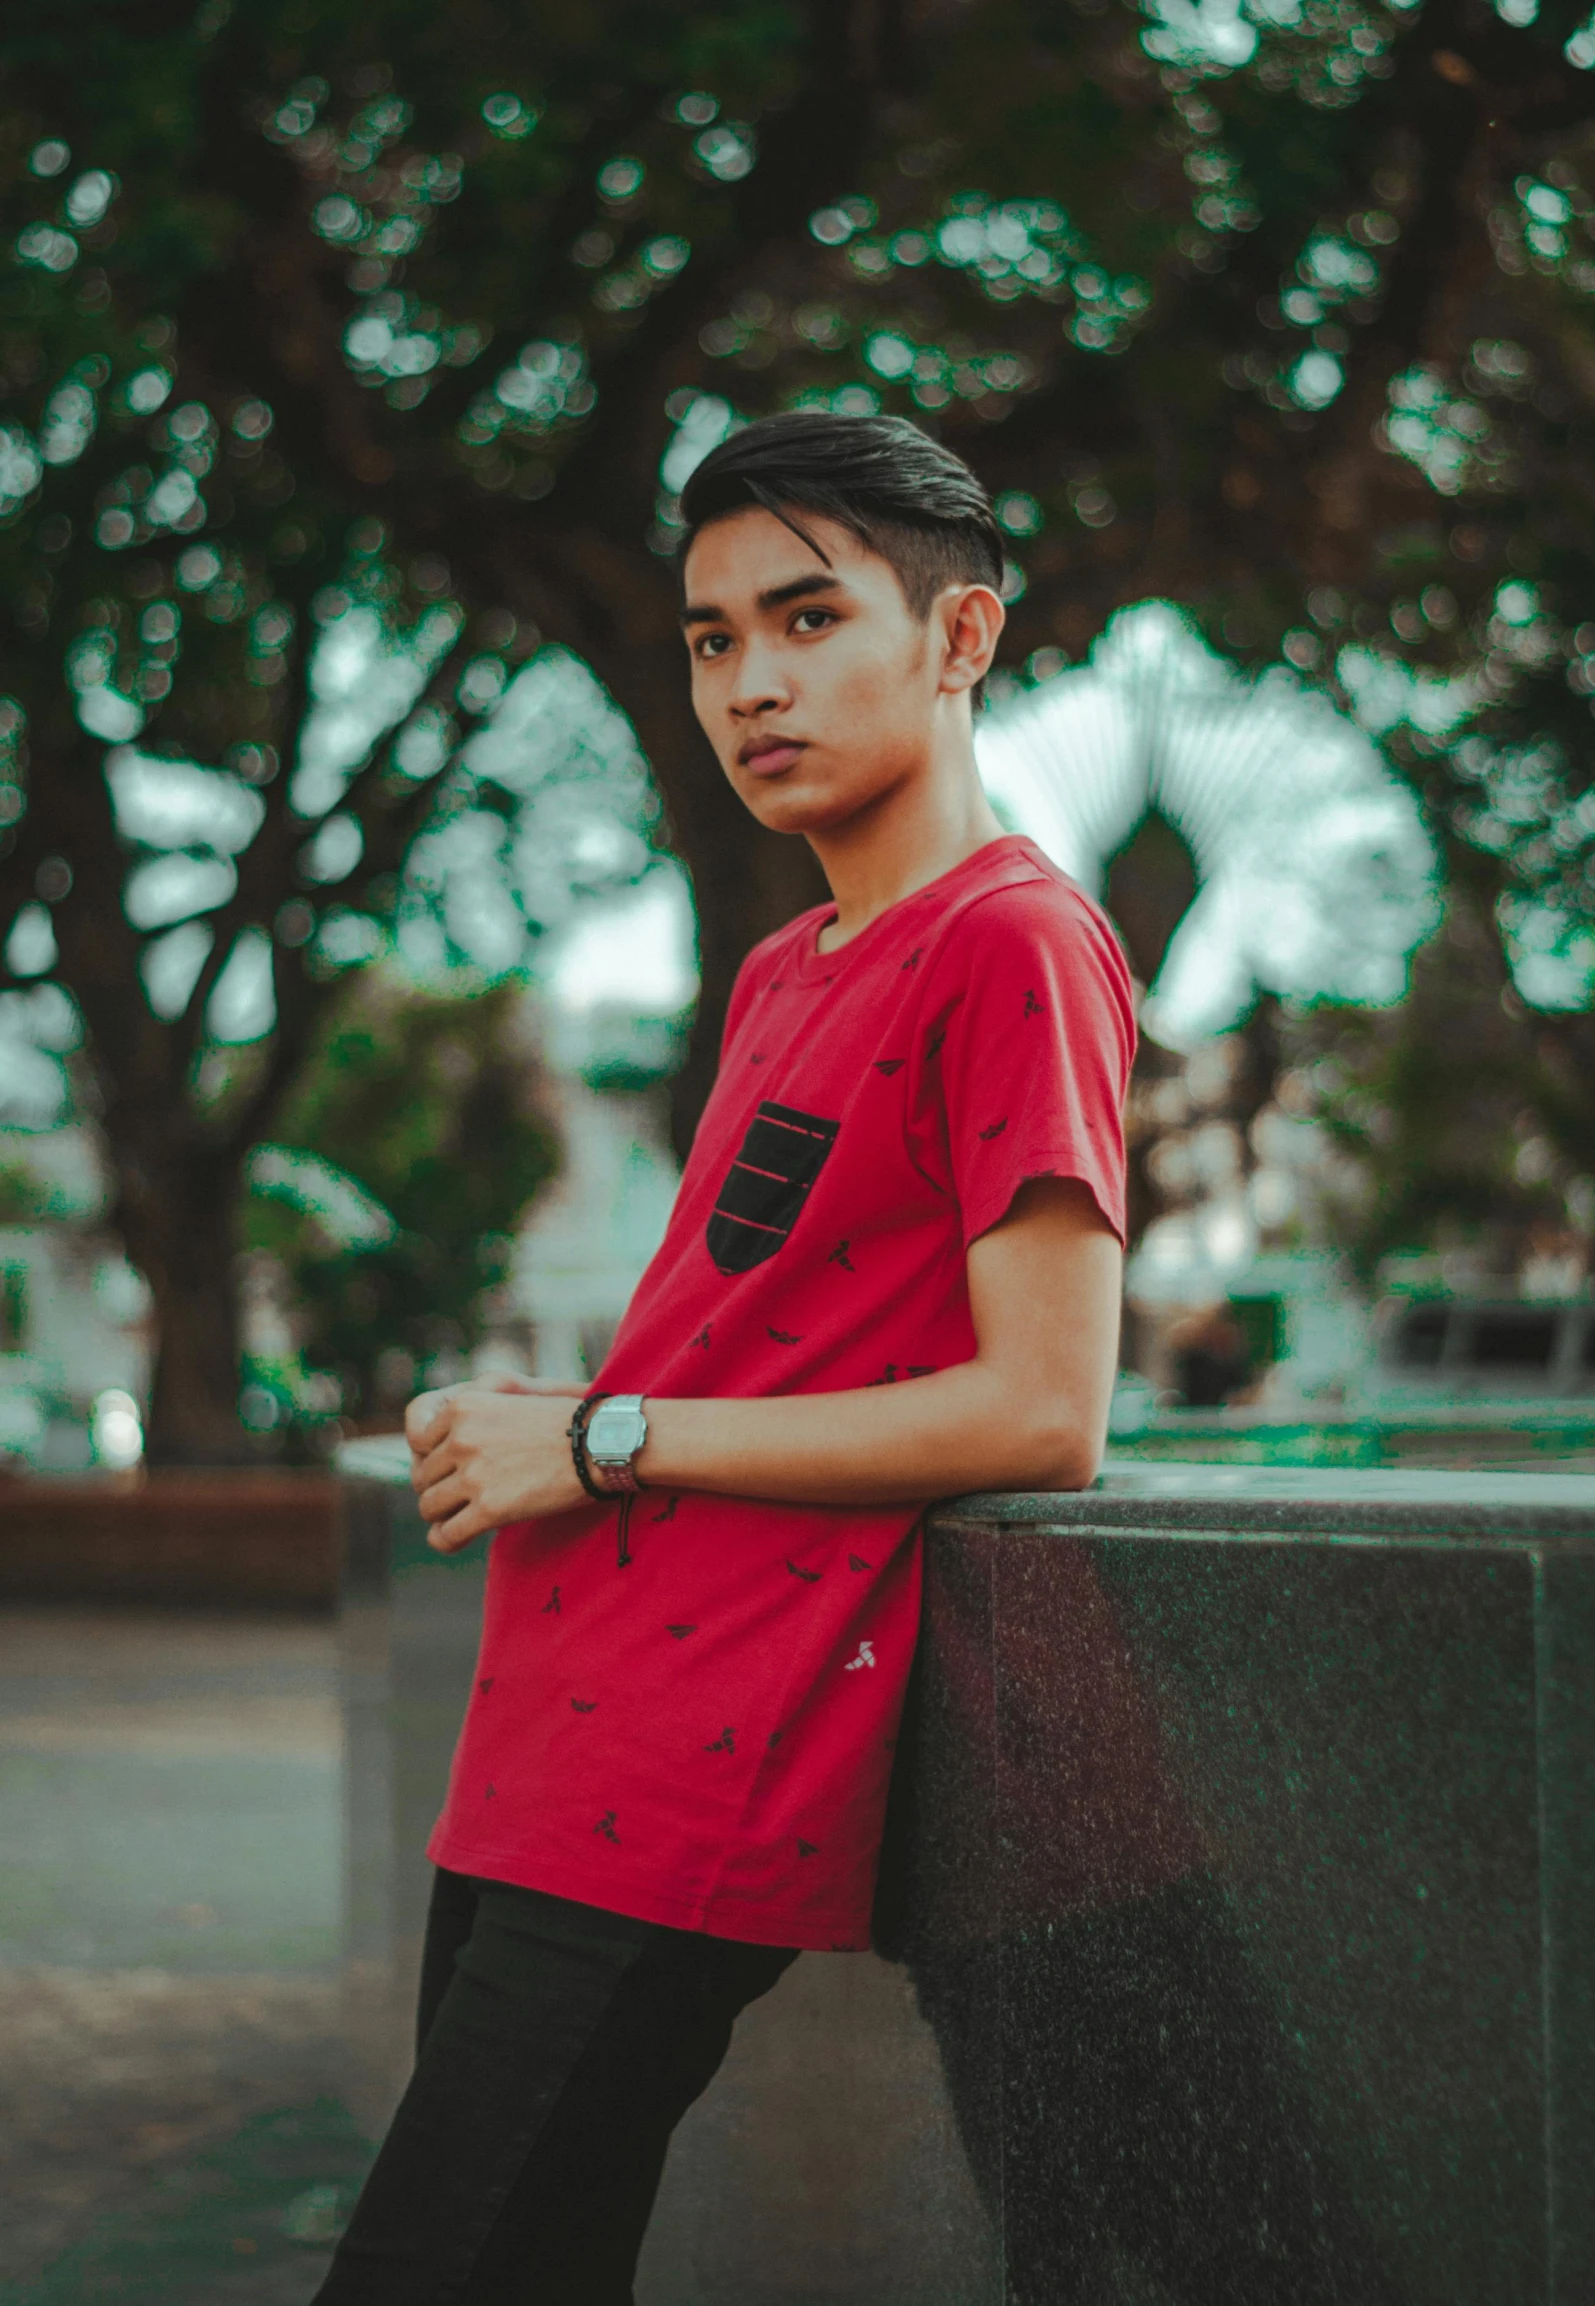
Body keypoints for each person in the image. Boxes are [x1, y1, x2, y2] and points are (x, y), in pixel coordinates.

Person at [311, 411, 1133, 2304]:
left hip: (700, 1759)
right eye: (709, 639)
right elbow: (758, 1336)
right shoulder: (789, 964)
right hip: (545, 1727)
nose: (751, 682)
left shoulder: (1014, 942)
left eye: (807, 617)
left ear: (960, 639)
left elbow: (1045, 1408)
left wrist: (597, 1439)